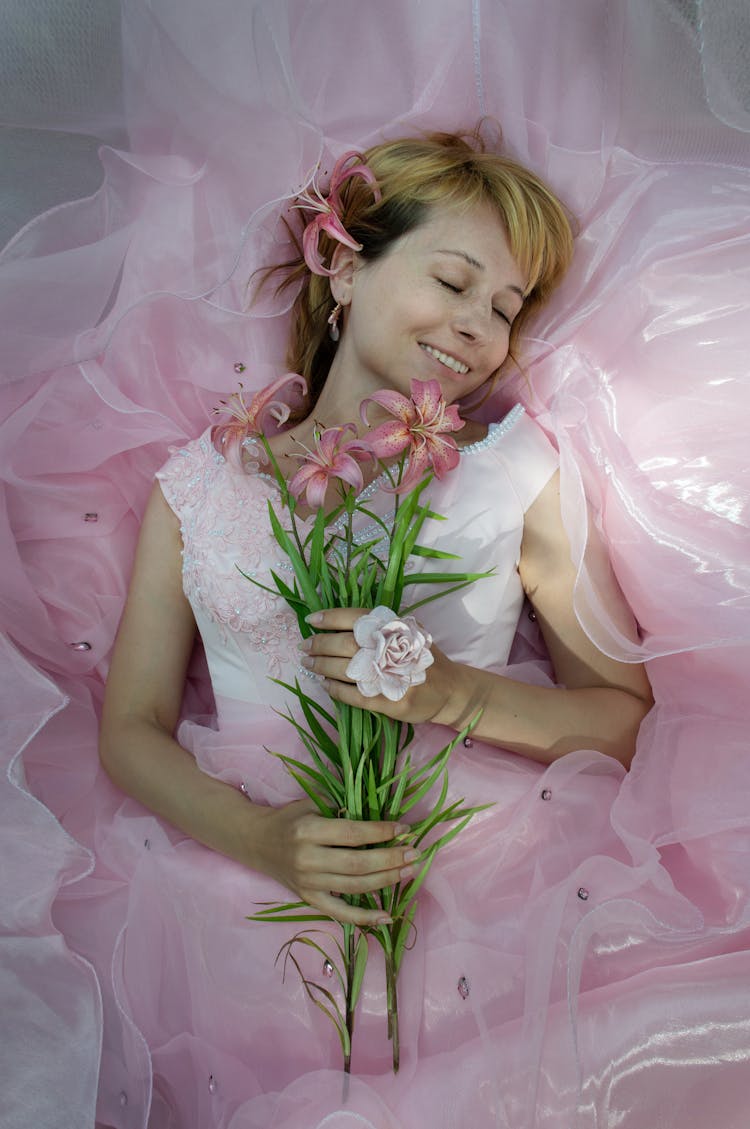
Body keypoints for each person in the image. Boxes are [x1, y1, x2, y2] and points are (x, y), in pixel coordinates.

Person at [92, 130, 653, 1121]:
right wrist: (263, 838)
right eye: (455, 278)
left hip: (481, 888)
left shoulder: (514, 470)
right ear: (345, 265)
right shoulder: (202, 484)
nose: (479, 324)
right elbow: (131, 727)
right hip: (247, 893)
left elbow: (622, 715)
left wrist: (449, 692)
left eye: (507, 309)